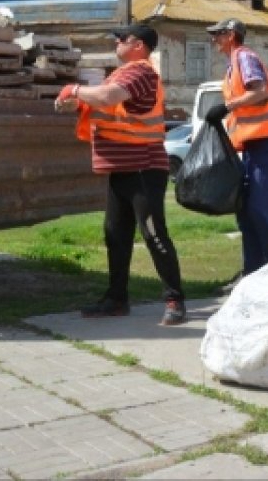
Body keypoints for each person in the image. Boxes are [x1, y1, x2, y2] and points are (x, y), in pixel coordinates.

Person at [54, 23, 186, 326]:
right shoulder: (123, 72)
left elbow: (105, 98)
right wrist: (74, 104)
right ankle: (116, 299)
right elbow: (105, 105)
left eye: (121, 38)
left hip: (143, 166)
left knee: (153, 234)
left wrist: (74, 89)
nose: (116, 42)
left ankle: (175, 300)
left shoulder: (140, 71)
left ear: (138, 45)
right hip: (121, 167)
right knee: (115, 234)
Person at [203, 18, 268, 279]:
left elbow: (259, 91)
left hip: (266, 143)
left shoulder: (244, 57)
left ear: (230, 35)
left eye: (217, 35)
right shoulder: (233, 64)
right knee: (247, 212)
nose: (213, 40)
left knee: (261, 209)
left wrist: (226, 107)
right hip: (252, 145)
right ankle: (253, 272)